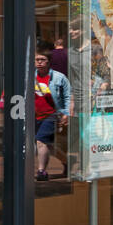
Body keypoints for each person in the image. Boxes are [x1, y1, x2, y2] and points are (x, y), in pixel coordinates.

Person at [32, 49, 71, 181]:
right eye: (37, 60)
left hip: (52, 115)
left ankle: (41, 171)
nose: (39, 63)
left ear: (49, 62)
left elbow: (67, 96)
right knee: (49, 146)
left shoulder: (59, 78)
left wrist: (66, 114)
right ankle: (68, 162)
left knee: (41, 141)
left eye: (43, 60)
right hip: (34, 115)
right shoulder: (30, 76)